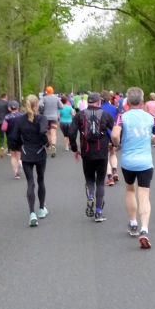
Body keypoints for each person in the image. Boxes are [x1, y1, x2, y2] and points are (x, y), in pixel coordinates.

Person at [111, 87, 155, 249]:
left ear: (127, 101)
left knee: (130, 190)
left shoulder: (122, 117)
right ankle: (144, 230)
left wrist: (117, 144)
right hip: (145, 162)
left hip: (128, 161)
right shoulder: (150, 117)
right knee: (144, 194)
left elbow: (115, 135)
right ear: (142, 101)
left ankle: (133, 223)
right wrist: (149, 141)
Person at [68, 92, 115, 223]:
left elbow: (71, 133)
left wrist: (74, 149)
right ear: (99, 102)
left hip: (87, 152)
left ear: (88, 102)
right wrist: (114, 144)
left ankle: (90, 196)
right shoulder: (105, 115)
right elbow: (116, 130)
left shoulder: (80, 115)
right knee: (100, 181)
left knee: (89, 179)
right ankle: (98, 212)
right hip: (102, 152)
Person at [9, 95, 50, 227]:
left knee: (30, 182)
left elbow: (13, 137)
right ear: (37, 105)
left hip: (26, 153)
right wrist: (47, 144)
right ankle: (41, 209)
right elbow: (43, 132)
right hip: (39, 152)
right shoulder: (42, 118)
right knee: (41, 180)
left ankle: (32, 213)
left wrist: (20, 145)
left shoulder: (20, 120)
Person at [99, 91, 120, 186]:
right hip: (113, 134)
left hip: (103, 135)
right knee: (112, 153)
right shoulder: (114, 108)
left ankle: (110, 177)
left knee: (105, 156)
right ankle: (115, 170)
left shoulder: (99, 109)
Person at [1, 100, 24, 179]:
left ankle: (16, 173)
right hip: (21, 138)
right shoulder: (22, 116)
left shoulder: (7, 117)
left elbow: (3, 128)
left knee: (13, 155)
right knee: (19, 155)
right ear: (18, 107)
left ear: (9, 108)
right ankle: (20, 163)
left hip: (11, 138)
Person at [39, 86, 63, 158]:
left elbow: (40, 105)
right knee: (53, 133)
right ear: (53, 91)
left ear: (46, 91)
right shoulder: (56, 98)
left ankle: (49, 145)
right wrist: (55, 107)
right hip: (54, 118)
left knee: (48, 133)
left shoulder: (44, 98)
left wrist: (42, 110)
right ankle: (53, 147)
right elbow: (61, 107)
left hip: (46, 118)